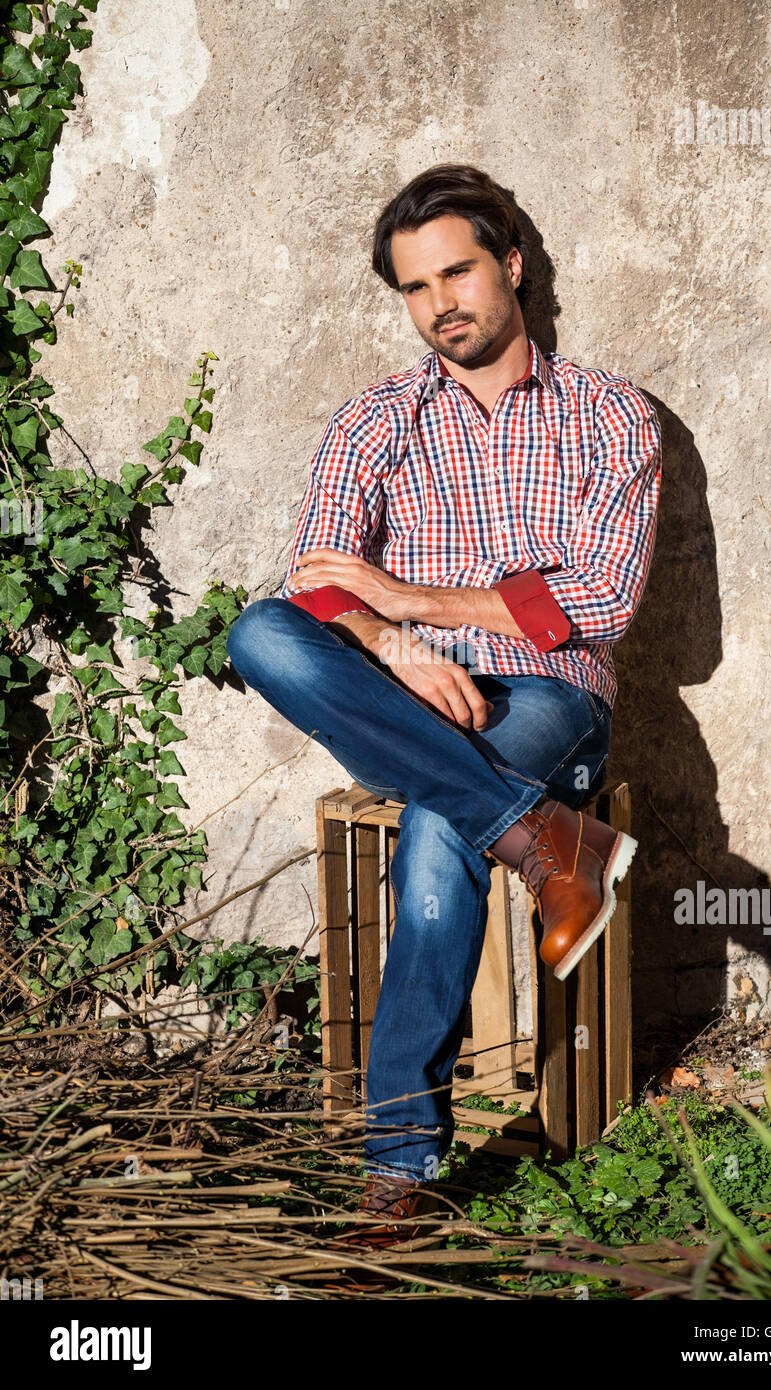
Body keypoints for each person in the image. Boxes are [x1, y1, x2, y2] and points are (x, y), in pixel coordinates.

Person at [225, 163, 661, 1246]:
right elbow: (314, 581)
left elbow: (593, 607)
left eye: (456, 273)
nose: (440, 306)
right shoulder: (376, 419)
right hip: (404, 697)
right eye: (415, 288)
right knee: (257, 631)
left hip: (544, 697)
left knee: (434, 826)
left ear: (509, 266)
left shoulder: (610, 415)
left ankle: (398, 1172)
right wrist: (390, 641)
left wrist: (403, 593)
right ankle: (538, 838)